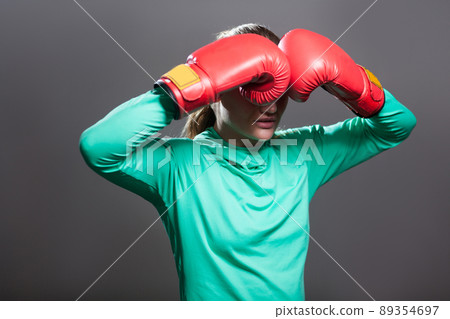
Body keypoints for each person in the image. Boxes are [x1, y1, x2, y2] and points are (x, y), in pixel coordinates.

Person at [79, 23, 416, 301]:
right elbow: (98, 146)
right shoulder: (180, 165)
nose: (270, 105)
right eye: (253, 87)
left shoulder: (302, 153)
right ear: (217, 92)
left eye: (279, 89)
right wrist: (189, 85)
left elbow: (397, 125)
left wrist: (352, 84)